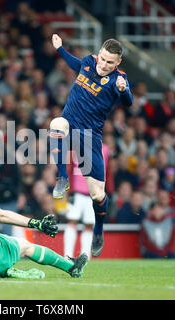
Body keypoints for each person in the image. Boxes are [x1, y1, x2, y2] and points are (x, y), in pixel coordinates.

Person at [50, 34, 133, 257]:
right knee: (56, 123)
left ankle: (98, 230)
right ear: (99, 54)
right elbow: (76, 65)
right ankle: (62, 178)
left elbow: (128, 103)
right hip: (70, 123)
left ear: (118, 63)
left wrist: (125, 90)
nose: (104, 65)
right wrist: (60, 49)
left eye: (109, 62)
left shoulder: (118, 80)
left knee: (97, 195)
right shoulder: (88, 62)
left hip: (90, 138)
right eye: (102, 59)